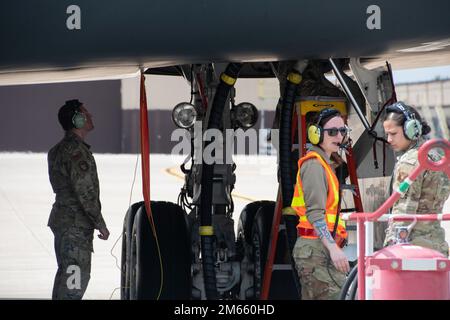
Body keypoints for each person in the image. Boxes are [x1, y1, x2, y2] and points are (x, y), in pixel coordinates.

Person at [48, 99, 110, 299]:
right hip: (75, 225)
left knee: (66, 275)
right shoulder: (77, 152)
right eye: (85, 114)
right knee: (75, 279)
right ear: (77, 120)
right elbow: (84, 192)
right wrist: (99, 223)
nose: (90, 116)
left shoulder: (58, 149)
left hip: (65, 221)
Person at [291, 108, 350, 300]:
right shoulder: (314, 166)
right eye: (332, 132)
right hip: (315, 249)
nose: (339, 136)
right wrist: (333, 248)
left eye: (343, 131)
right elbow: (315, 214)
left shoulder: (325, 164)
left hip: (320, 247)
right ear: (316, 134)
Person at [383, 101, 450, 256]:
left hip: (412, 248)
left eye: (393, 134)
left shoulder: (410, 161)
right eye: (387, 134)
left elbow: (404, 211)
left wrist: (391, 247)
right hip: (437, 245)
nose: (388, 139)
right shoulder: (435, 155)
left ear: (411, 129)